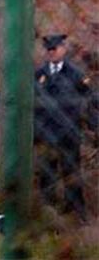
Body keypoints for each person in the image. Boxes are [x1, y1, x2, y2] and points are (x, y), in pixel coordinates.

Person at [34, 34, 94, 223]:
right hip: (46, 134)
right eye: (49, 50)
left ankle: (76, 214)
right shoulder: (40, 73)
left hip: (69, 134)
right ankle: (48, 214)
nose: (52, 52)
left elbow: (89, 99)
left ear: (63, 49)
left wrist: (91, 125)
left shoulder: (75, 74)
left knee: (71, 173)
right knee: (46, 175)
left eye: (55, 49)